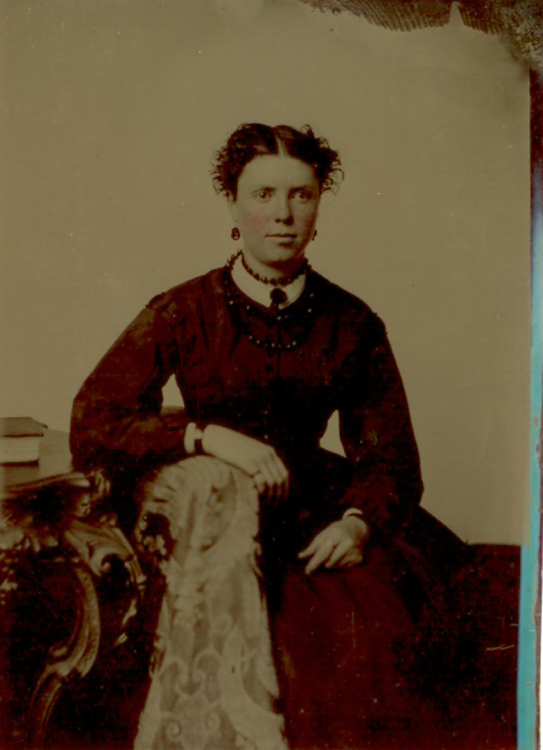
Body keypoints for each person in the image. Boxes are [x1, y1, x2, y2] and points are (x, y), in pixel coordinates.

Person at [70, 124, 469, 750]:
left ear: (318, 206)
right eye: (263, 195)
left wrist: (358, 525)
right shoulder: (185, 309)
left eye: (300, 195)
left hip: (321, 516)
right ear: (232, 203)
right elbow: (95, 418)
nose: (282, 214)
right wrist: (204, 436)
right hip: (220, 520)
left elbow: (391, 459)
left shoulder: (352, 322)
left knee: (377, 634)